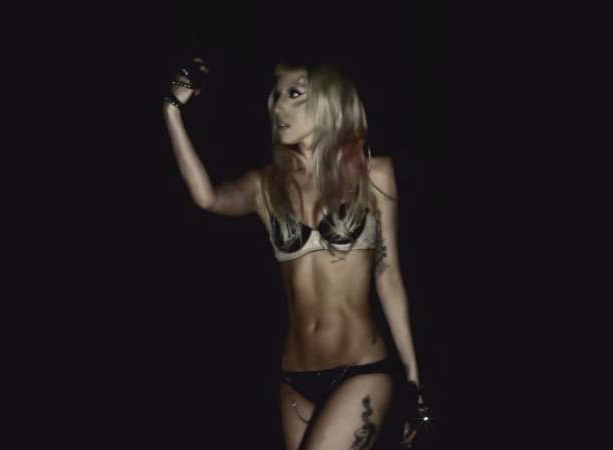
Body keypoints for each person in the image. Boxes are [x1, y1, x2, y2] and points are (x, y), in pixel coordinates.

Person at [162, 57, 428, 449]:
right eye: (276, 97)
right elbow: (207, 198)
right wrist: (172, 110)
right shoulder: (265, 186)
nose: (279, 106)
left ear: (329, 101)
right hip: (294, 379)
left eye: (294, 94)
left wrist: (413, 379)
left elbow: (388, 277)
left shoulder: (374, 174)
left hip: (362, 369)